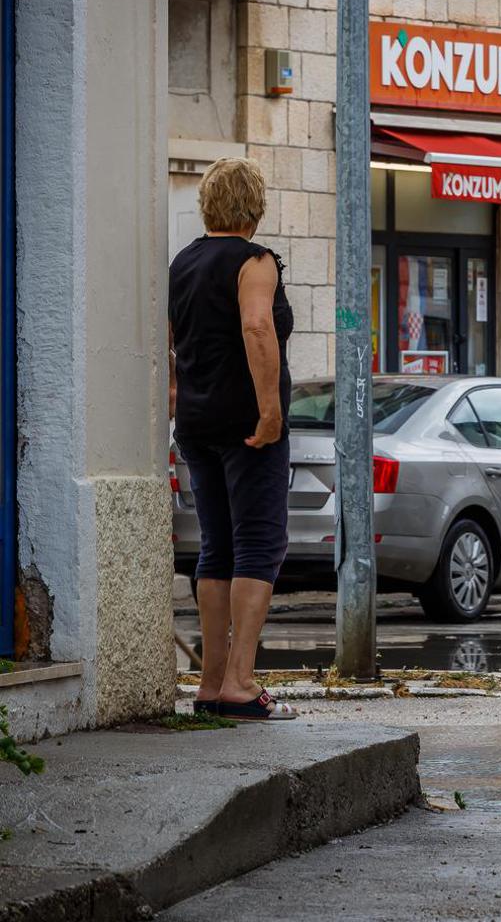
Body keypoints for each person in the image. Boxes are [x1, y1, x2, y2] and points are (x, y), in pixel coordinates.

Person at [169, 157, 298, 721]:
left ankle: (211, 685)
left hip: (197, 423)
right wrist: (269, 411)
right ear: (255, 205)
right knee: (260, 543)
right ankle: (242, 684)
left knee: (217, 546)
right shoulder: (255, 260)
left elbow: (173, 339)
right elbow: (256, 326)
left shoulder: (184, 261)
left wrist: (182, 393)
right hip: (247, 426)